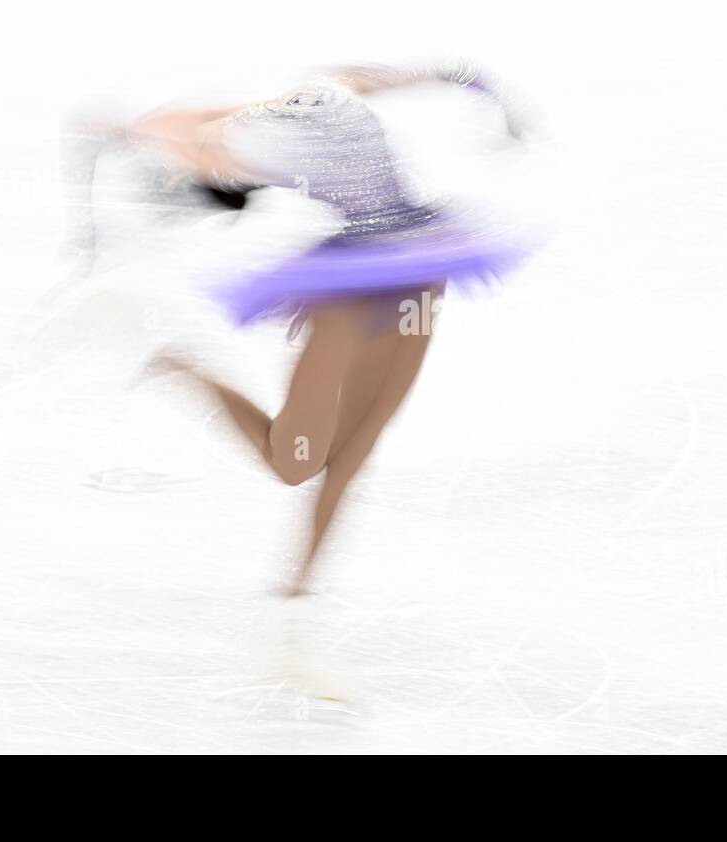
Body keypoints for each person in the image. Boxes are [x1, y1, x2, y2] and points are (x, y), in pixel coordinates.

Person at [96, 61, 529, 597]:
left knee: (351, 443)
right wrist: (474, 84)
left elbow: (192, 130)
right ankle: (182, 367)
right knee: (298, 461)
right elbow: (392, 78)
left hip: (411, 267)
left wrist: (131, 134)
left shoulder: (247, 137)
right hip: (369, 283)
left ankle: (299, 585)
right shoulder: (312, 98)